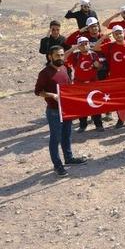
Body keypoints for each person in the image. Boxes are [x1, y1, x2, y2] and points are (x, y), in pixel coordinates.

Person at [34, 45, 88, 177]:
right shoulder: (44, 73)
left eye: (62, 55)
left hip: (66, 109)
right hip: (53, 111)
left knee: (67, 135)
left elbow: (68, 87)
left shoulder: (64, 68)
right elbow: (38, 91)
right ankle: (57, 165)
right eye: (57, 55)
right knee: (55, 138)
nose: (60, 57)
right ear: (50, 56)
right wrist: (52, 95)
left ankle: (69, 158)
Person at [93, 25, 125, 128]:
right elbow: (95, 48)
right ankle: (121, 120)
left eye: (120, 33)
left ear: (123, 33)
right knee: (118, 101)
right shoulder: (110, 45)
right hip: (115, 78)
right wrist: (103, 38)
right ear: (113, 35)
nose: (119, 35)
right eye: (116, 34)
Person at [64, 36, 104, 132]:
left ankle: (98, 124)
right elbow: (64, 57)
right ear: (79, 46)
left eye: (86, 43)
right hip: (80, 84)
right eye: (81, 44)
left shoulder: (93, 55)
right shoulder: (76, 56)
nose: (84, 46)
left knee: (94, 103)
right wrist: (73, 48)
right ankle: (83, 125)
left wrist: (97, 65)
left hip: (92, 83)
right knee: (81, 105)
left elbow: (99, 67)